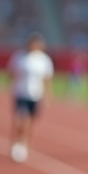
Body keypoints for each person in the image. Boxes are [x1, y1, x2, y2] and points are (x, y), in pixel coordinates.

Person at [6, 33, 54, 163]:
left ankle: (26, 145)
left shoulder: (44, 60)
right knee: (21, 120)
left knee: (31, 122)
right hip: (21, 93)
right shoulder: (20, 57)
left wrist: (48, 95)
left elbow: (47, 79)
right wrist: (10, 84)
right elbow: (11, 72)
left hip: (36, 95)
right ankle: (17, 143)